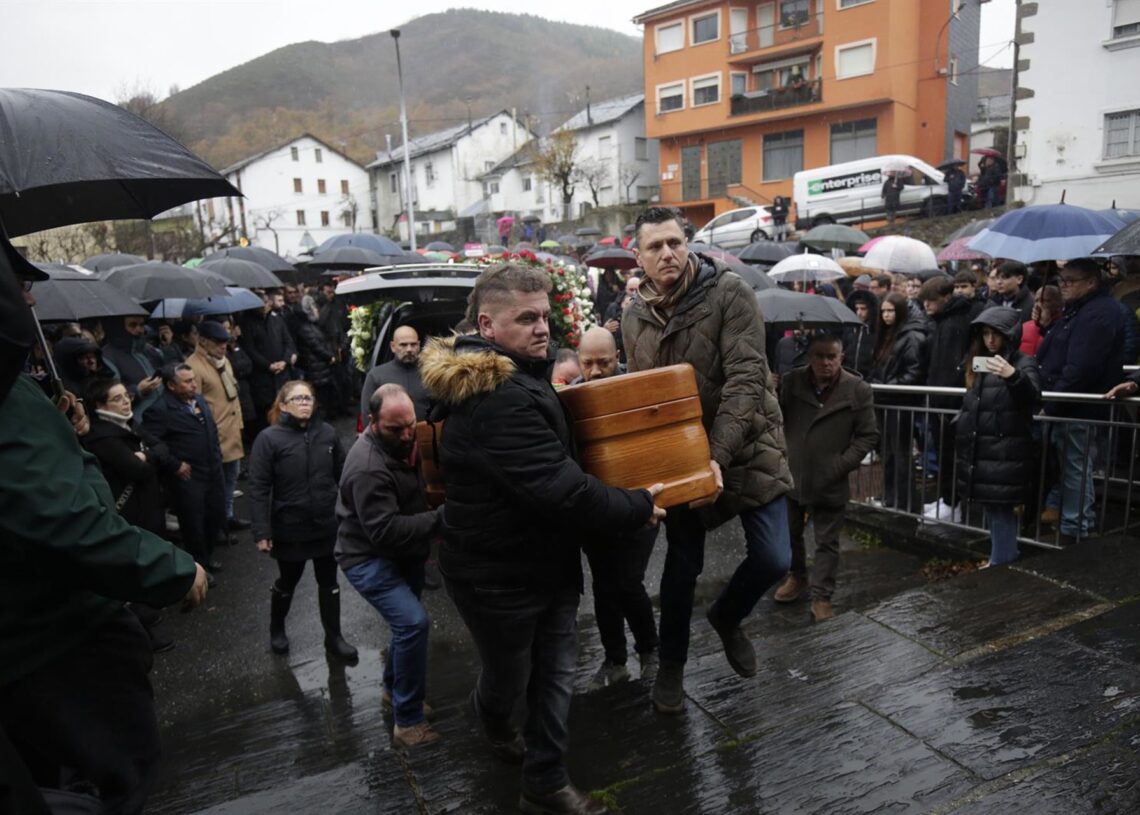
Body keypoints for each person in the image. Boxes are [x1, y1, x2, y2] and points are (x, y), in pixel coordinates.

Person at [419, 262, 664, 815]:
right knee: (512, 676)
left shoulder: (516, 378)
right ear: (487, 325)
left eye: (545, 317)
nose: (541, 329)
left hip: (540, 561)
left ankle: (544, 782)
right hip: (497, 575)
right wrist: (637, 505)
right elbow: (563, 489)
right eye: (526, 318)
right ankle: (492, 717)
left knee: (552, 675)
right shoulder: (498, 397)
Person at [0, 247, 208, 815]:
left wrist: (64, 436)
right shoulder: (8, 400)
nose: (31, 299)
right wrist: (174, 569)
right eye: (17, 285)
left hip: (30, 652)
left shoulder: (22, 393)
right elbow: (68, 518)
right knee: (116, 787)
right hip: (58, 645)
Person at [623, 206, 793, 715]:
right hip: (683, 455)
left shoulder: (729, 292)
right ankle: (672, 665)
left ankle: (727, 615)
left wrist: (715, 457)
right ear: (639, 256)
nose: (667, 253)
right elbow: (646, 395)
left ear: (688, 244)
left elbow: (746, 378)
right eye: (655, 247)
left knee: (774, 558)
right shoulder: (633, 315)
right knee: (681, 568)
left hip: (750, 441)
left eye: (674, 242)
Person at [336, 383, 439, 747]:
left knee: (405, 627)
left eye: (411, 425)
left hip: (403, 553)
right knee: (412, 623)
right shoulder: (367, 467)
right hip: (367, 557)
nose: (408, 435)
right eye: (396, 429)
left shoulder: (406, 440)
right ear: (372, 422)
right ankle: (407, 722)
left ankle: (393, 690)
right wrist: (440, 519)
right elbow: (386, 531)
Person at [573, 327, 660, 687]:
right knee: (604, 585)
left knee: (627, 581)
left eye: (604, 363)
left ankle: (650, 651)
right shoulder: (571, 397)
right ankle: (614, 659)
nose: (595, 371)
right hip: (596, 506)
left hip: (638, 502)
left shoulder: (634, 389)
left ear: (618, 358)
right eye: (588, 363)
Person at [249, 380, 356, 661]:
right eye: (297, 399)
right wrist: (261, 531)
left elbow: (344, 475)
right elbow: (258, 488)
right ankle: (277, 628)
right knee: (288, 580)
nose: (305, 403)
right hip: (290, 528)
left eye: (308, 398)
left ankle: (334, 638)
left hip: (325, 525)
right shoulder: (268, 439)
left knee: (329, 581)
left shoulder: (327, 433)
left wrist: (353, 512)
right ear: (283, 405)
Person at [774, 334, 879, 621]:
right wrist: (769, 389)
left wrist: (840, 465)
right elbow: (773, 416)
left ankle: (822, 595)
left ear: (841, 358)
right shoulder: (792, 382)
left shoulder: (857, 389)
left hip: (830, 478)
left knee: (827, 540)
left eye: (831, 357)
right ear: (810, 357)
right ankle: (797, 576)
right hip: (794, 474)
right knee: (790, 533)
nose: (826, 363)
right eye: (819, 356)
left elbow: (868, 435)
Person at [1035, 258, 1124, 544]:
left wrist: (1053, 403)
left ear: (1091, 282)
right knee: (1070, 467)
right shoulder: (1080, 309)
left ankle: (1075, 530)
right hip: (1068, 402)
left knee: (1075, 468)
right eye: (1061, 280)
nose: (1063, 286)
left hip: (1077, 405)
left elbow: (1082, 367)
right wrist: (1045, 325)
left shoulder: (1098, 313)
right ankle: (1073, 524)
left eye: (1070, 281)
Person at [954, 308, 1042, 566]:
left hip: (1005, 452)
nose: (990, 340)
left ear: (1009, 335)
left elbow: (1033, 397)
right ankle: (999, 559)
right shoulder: (978, 361)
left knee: (1001, 510)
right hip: (983, 449)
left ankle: (1001, 563)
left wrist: (1012, 376)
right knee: (993, 509)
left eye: (996, 334)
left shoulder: (1022, 362)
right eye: (985, 334)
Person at [143, 363, 227, 582]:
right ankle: (199, 568)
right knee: (193, 525)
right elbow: (152, 443)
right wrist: (174, 464)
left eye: (193, 379)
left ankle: (207, 556)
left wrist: (217, 457)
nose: (193, 385)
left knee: (215, 515)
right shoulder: (159, 410)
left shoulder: (199, 400)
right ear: (171, 385)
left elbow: (211, 430)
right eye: (187, 382)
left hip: (212, 470)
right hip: (188, 477)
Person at [918, 275, 985, 517]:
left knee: (950, 455)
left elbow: (951, 366)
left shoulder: (955, 322)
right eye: (924, 300)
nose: (927, 305)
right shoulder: (944, 321)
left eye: (931, 300)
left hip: (949, 401)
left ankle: (952, 503)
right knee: (944, 453)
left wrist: (944, 398)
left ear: (946, 298)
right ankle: (947, 498)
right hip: (942, 398)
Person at [867, 292, 928, 509]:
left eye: (891, 310)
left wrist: (887, 385)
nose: (886, 315)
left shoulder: (911, 336)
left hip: (899, 401)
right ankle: (890, 495)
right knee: (888, 452)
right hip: (885, 400)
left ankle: (903, 500)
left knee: (900, 453)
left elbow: (914, 372)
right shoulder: (887, 335)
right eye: (883, 311)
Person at [186, 320, 247, 531]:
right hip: (214, 435)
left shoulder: (223, 361)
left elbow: (233, 396)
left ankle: (227, 517)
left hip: (231, 430)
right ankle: (216, 524)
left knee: (231, 478)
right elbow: (193, 404)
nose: (223, 346)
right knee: (215, 484)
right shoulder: (193, 366)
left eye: (225, 342)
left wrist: (239, 423)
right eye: (218, 342)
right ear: (203, 341)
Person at [242, 291, 297, 437]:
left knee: (286, 406)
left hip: (282, 374)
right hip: (263, 377)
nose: (265, 306)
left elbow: (288, 341)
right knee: (267, 413)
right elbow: (250, 349)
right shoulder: (248, 323)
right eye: (261, 304)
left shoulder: (276, 318)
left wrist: (284, 361)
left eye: (266, 303)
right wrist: (268, 365)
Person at [359, 325, 431, 422]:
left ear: (419, 345)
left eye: (413, 344)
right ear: (393, 346)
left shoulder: (431, 374)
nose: (409, 349)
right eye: (403, 345)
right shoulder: (376, 376)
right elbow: (367, 414)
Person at [101, 315, 164, 417]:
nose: (139, 330)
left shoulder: (148, 349)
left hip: (164, 411)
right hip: (139, 418)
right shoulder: (108, 355)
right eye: (133, 325)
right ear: (120, 328)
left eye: (141, 325)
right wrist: (138, 390)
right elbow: (112, 394)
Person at [843, 289, 879, 377]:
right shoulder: (849, 329)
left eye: (863, 309)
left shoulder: (876, 331)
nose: (859, 312)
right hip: (848, 376)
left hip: (868, 378)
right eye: (857, 309)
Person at [1021, 284, 1062, 357]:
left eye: (1044, 301)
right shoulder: (1024, 327)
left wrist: (1046, 326)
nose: (1038, 305)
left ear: (1058, 304)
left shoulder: (1063, 329)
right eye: (1036, 301)